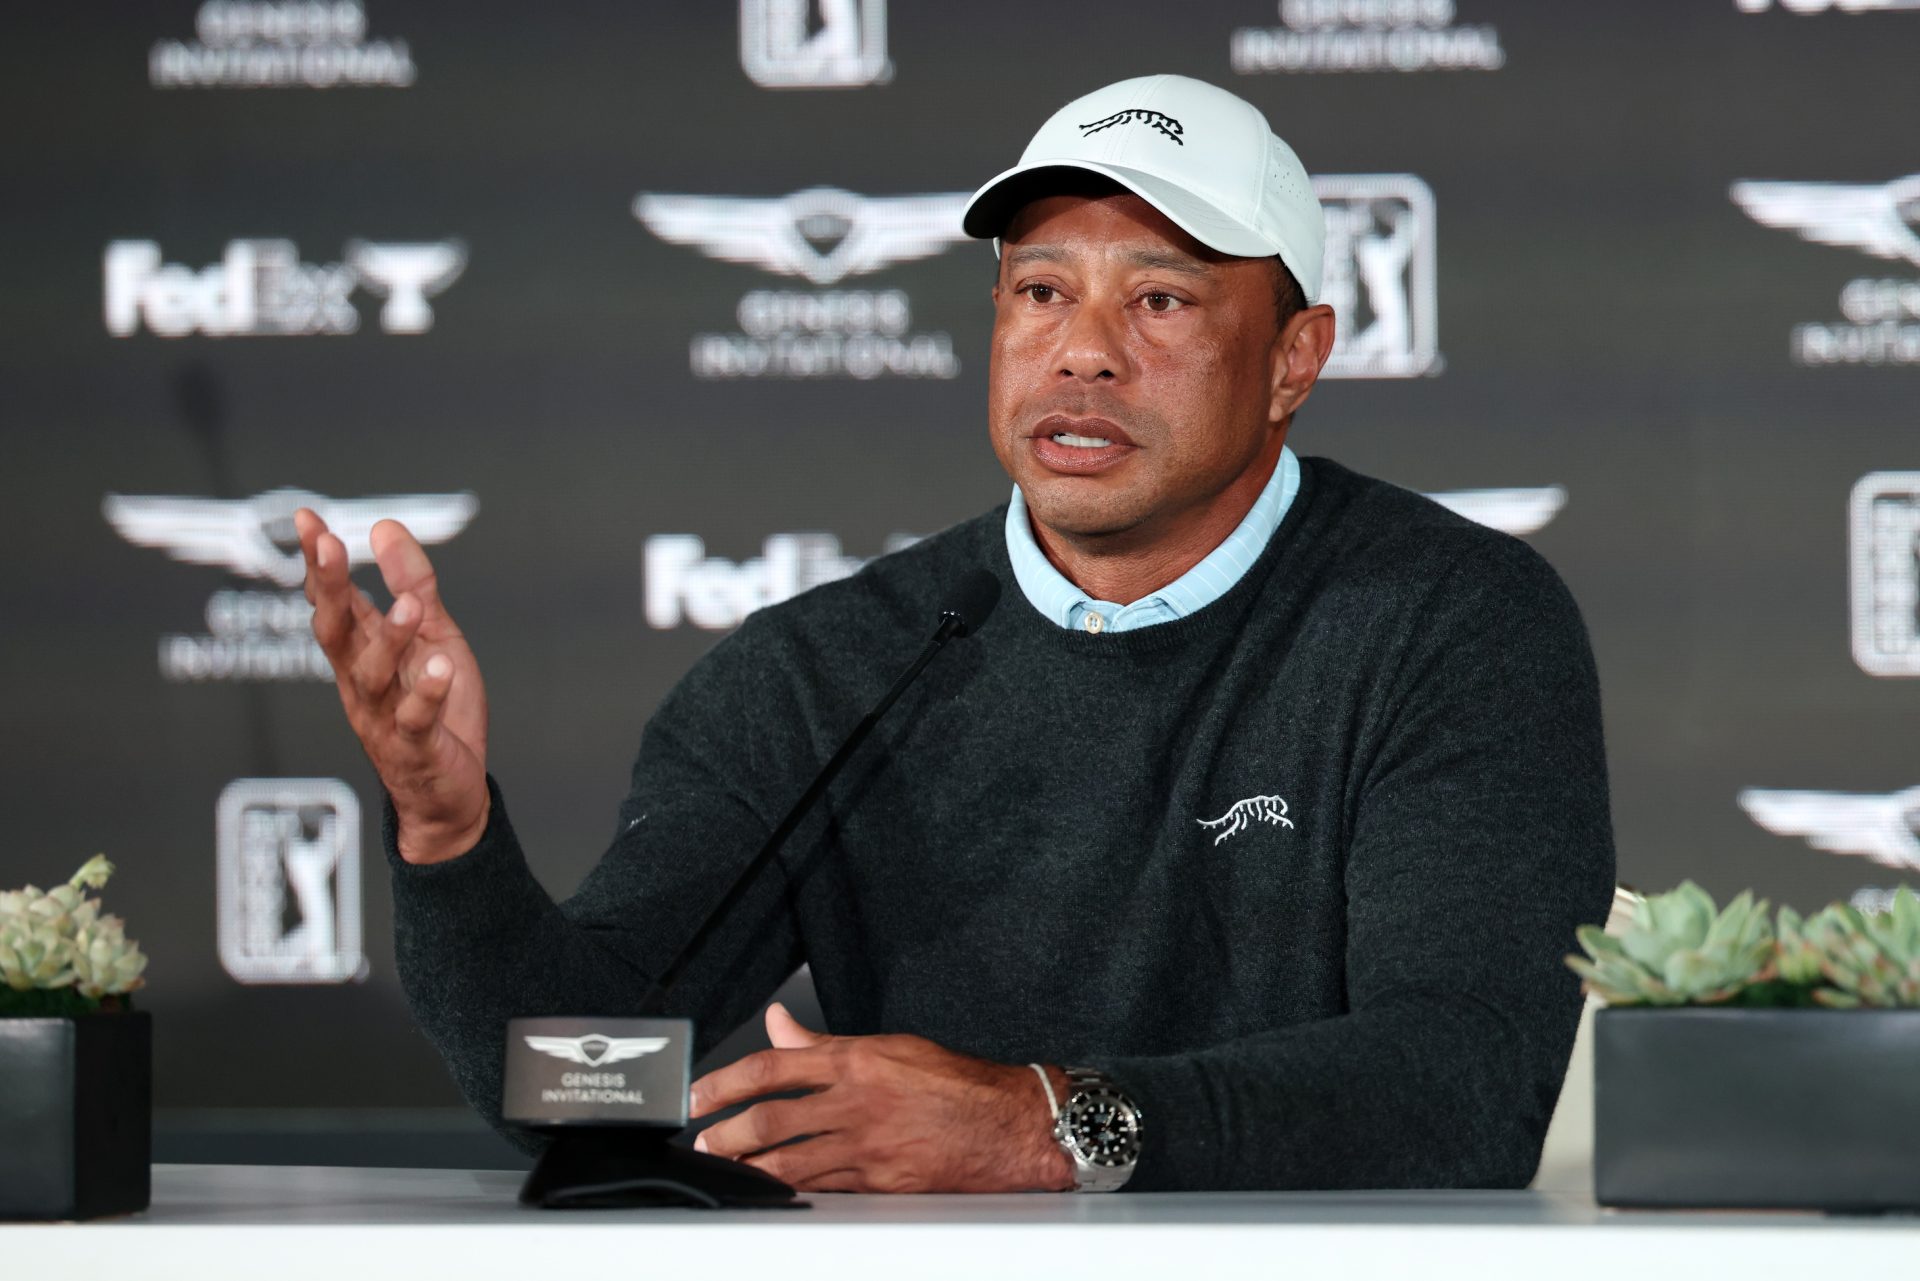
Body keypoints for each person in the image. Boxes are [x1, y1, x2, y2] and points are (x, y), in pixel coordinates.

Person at [295, 74, 1614, 1194]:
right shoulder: (831, 671)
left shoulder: (1447, 622)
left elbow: (1468, 1079)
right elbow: (570, 1080)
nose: (1082, 351)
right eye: (1041, 290)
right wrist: (447, 835)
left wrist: (1038, 1125)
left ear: (1292, 358)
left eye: (1159, 301)